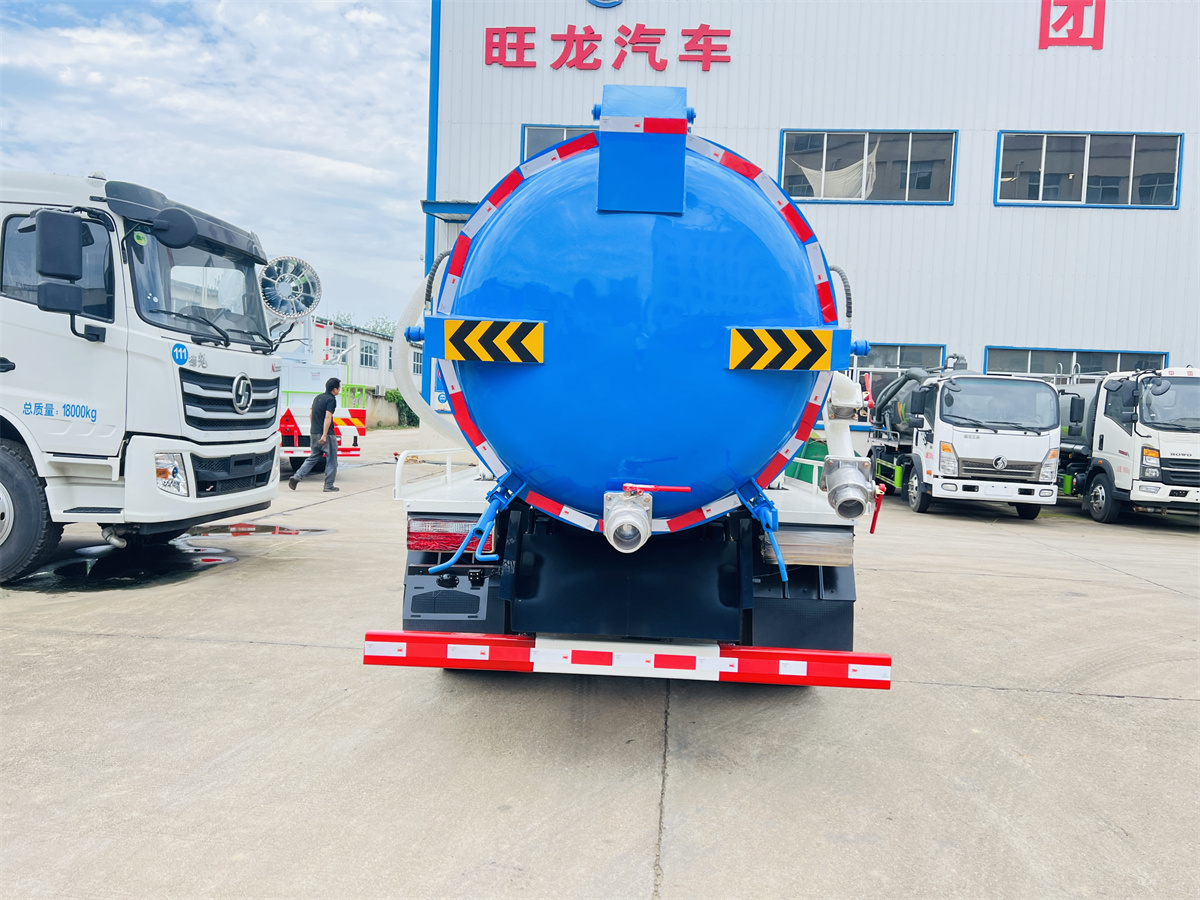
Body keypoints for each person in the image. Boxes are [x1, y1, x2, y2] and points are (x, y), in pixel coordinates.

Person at [289, 377, 341, 492]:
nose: (339, 390)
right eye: (339, 387)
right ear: (334, 389)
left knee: (313, 458)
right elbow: (328, 417)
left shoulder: (317, 398)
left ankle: (297, 477)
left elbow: (311, 414)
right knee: (332, 460)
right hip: (326, 435)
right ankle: (328, 486)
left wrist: (315, 429)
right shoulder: (331, 399)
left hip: (314, 432)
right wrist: (324, 434)